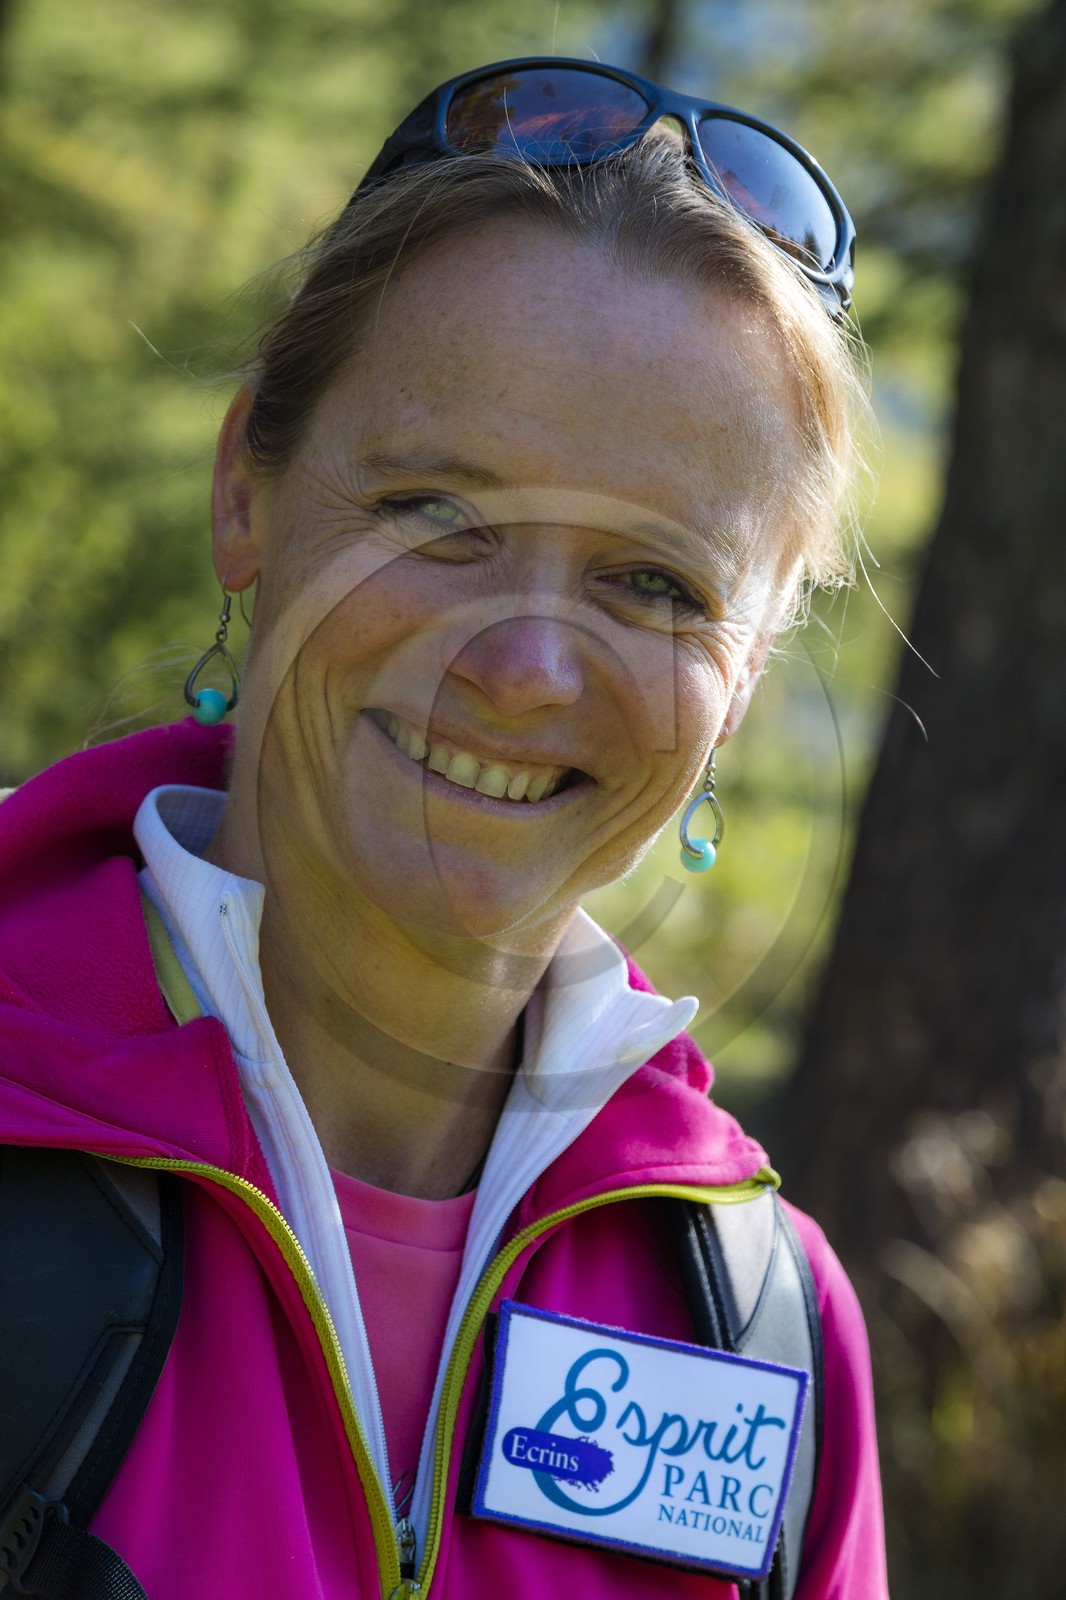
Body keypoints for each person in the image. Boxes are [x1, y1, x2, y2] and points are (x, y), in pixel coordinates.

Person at [0, 59, 888, 1600]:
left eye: (655, 584)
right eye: (436, 516)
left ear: (742, 678)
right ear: (245, 492)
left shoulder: (761, 1320)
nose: (527, 667)